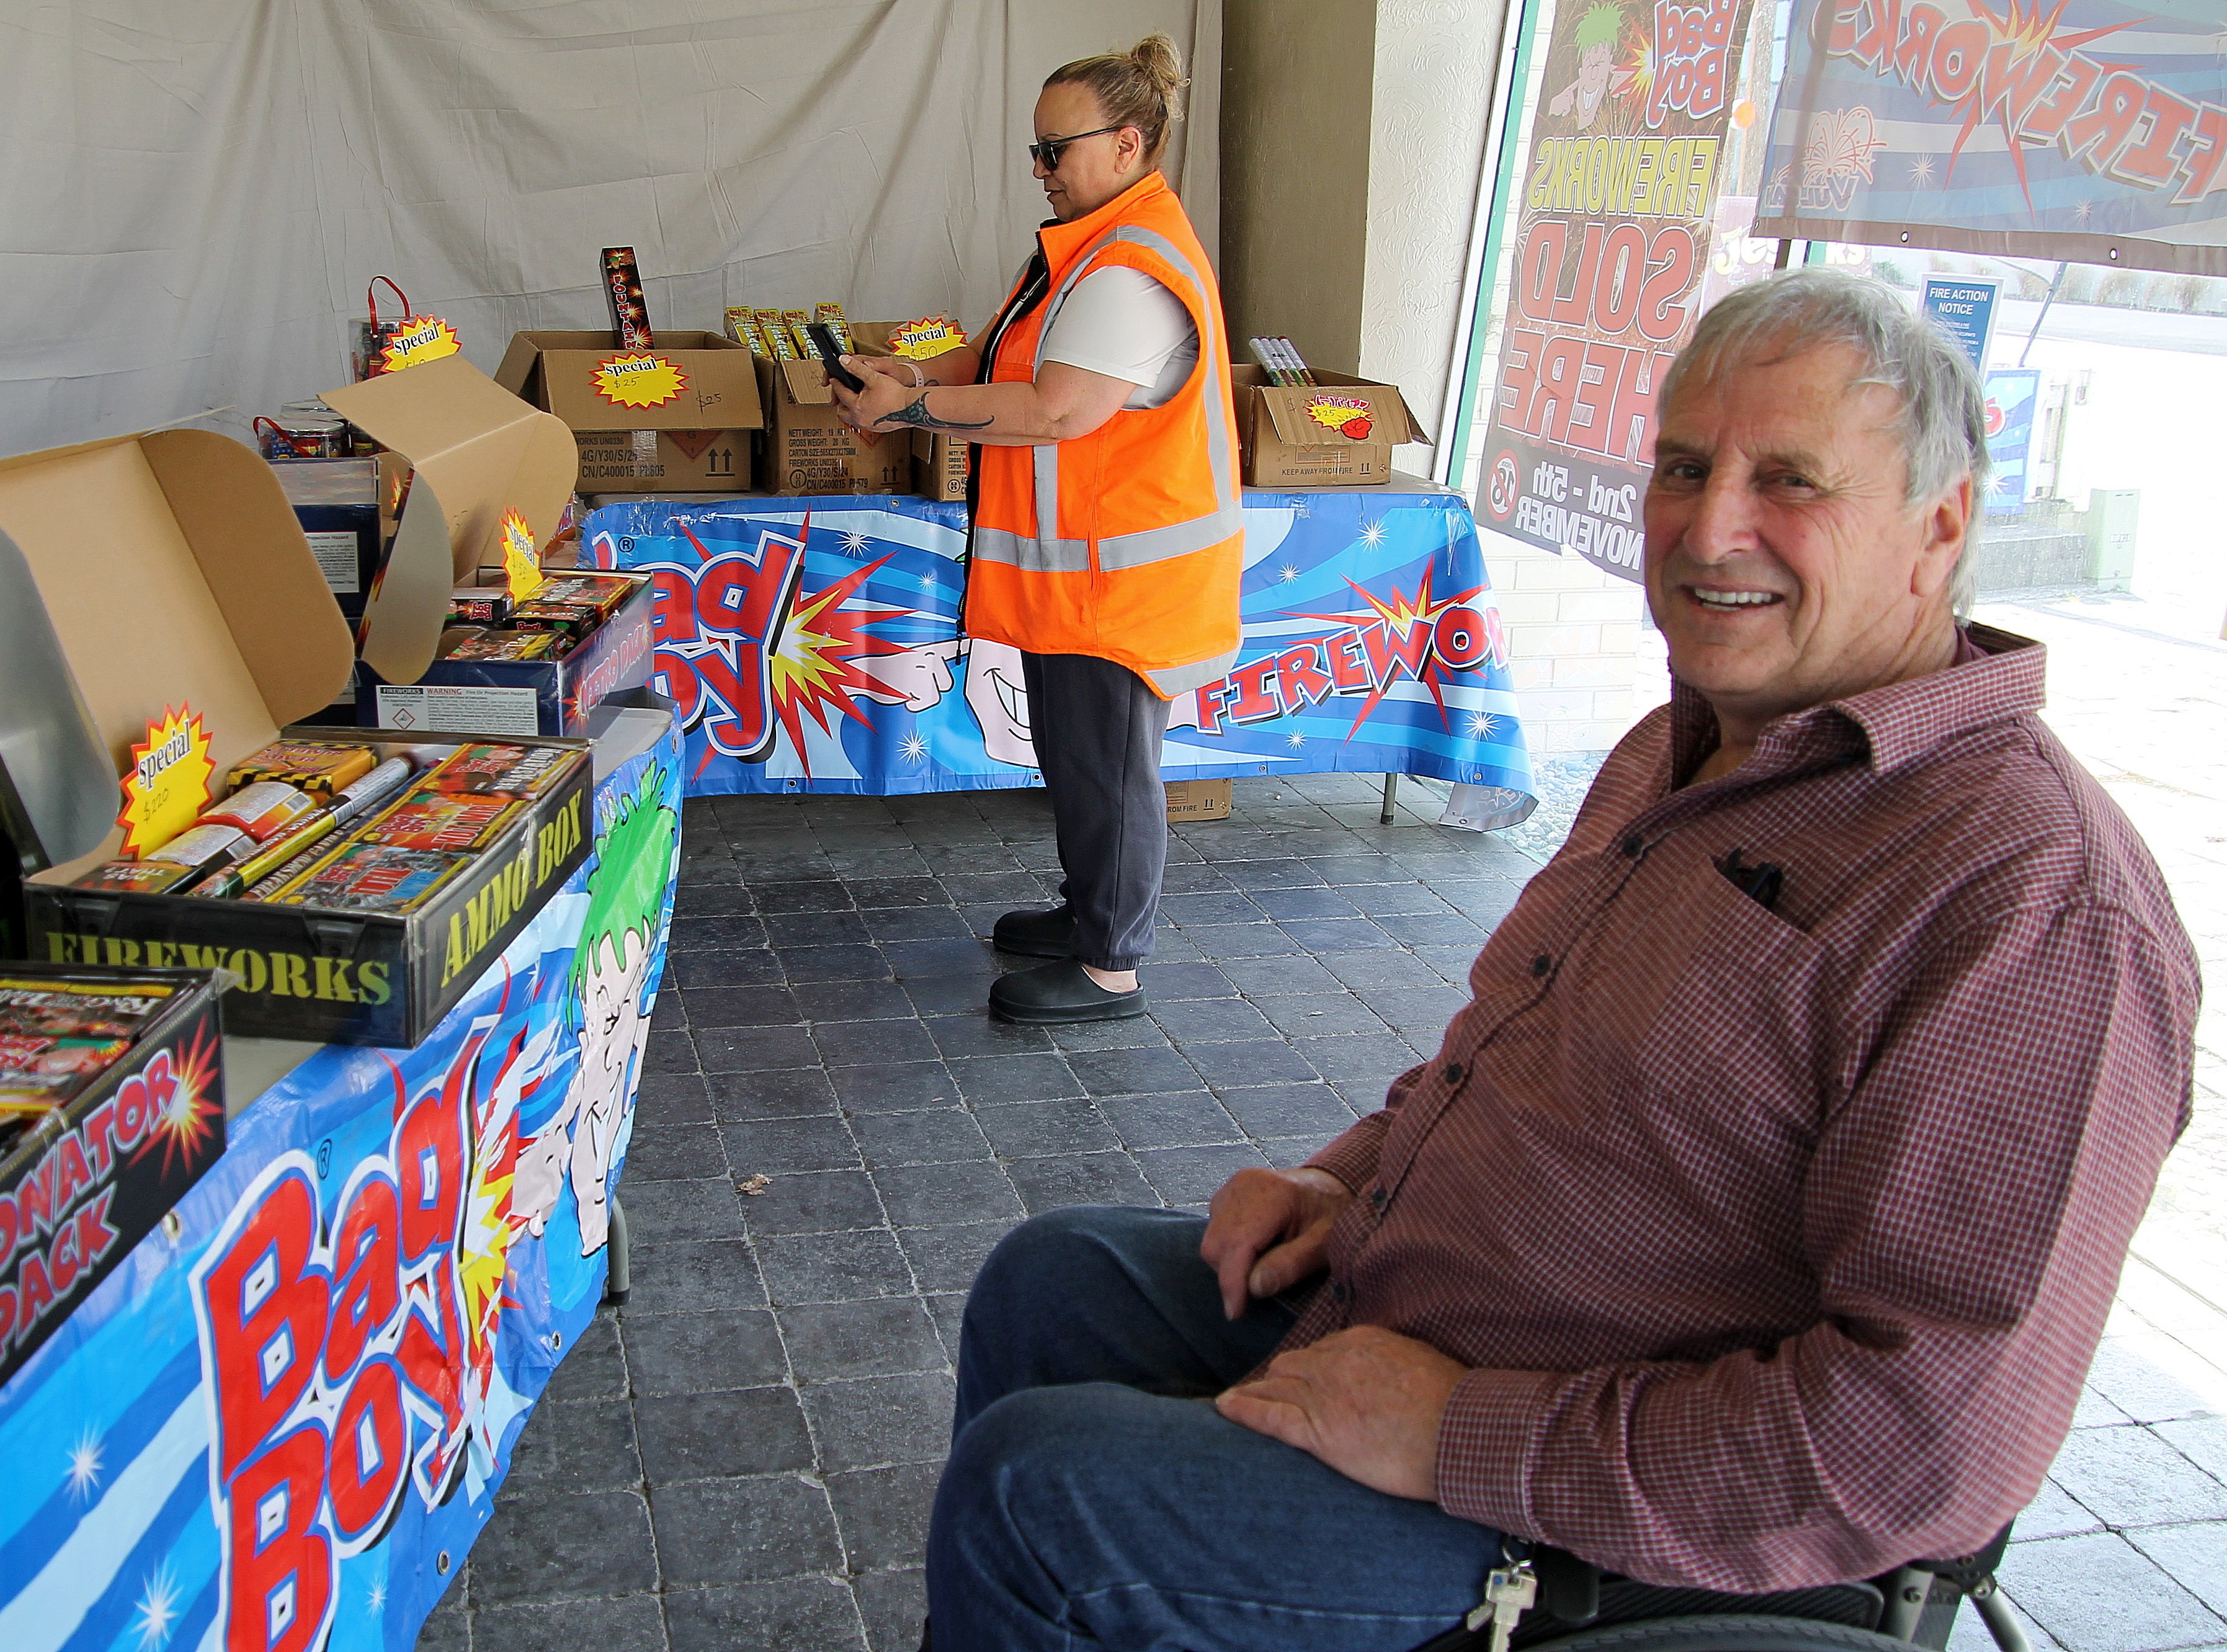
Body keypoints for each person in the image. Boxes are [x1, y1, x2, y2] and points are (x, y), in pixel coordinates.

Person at [921, 268, 2200, 1651]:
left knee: (1036, 1500)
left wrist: (1464, 1433)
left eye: (1792, 484)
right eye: (1685, 467)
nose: (1712, 529)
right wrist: (1338, 1177)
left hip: (1596, 1516)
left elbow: (1916, 1450)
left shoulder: (2032, 901)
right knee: (1049, 1283)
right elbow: (1527, 1050)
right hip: (1421, 1310)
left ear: (1939, 529)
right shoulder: (1695, 739)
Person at [831, 34, 1242, 1027]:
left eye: (1056, 150)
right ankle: (1085, 914)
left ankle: (1110, 967)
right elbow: (993, 360)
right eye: (1036, 150)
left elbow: (1055, 412)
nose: (1039, 170)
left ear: (1129, 144)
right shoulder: (1077, 254)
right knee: (1077, 757)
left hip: (1119, 582)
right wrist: (909, 382)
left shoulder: (1132, 272)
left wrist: (913, 413)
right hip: (1081, 572)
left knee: (1110, 768)